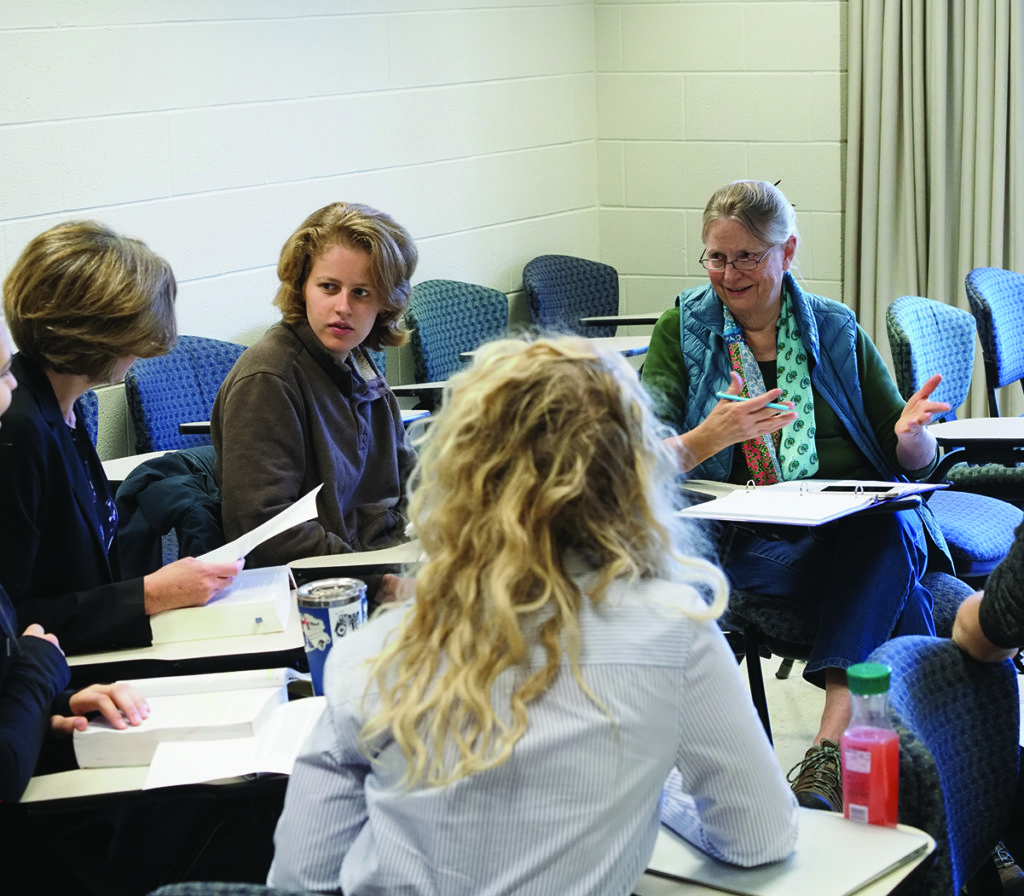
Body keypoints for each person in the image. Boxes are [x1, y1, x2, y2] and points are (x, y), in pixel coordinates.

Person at [266, 336, 798, 895]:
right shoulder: (671, 630)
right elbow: (759, 837)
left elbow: (300, 881)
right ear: (628, 474)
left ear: (458, 476)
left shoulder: (376, 649)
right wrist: (655, 787)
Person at [640, 179, 953, 813]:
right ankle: (909, 785)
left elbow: (909, 456)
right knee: (913, 601)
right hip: (738, 539)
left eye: (748, 256)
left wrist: (912, 437)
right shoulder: (683, 328)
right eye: (716, 257)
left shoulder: (833, 329)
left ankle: (833, 754)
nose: (729, 274)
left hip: (841, 530)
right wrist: (711, 435)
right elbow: (637, 462)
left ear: (787, 253)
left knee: (891, 525)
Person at [0, 222, 243, 655]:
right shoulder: (19, 427)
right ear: (101, 333)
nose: (144, 349)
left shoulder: (64, 405)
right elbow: (12, 622)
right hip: (53, 678)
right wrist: (150, 594)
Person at [211, 201, 417, 572]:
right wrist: (378, 578)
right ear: (302, 287)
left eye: (362, 293)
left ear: (386, 303)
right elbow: (266, 531)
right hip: (328, 588)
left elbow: (410, 481)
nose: (343, 307)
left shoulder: (357, 359)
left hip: (388, 558)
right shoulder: (269, 378)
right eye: (328, 287)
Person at [0, 318, 149, 802]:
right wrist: (39, 672)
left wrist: (53, 703)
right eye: (2, 375)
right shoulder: (22, 429)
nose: (13, 389)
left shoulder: (62, 412)